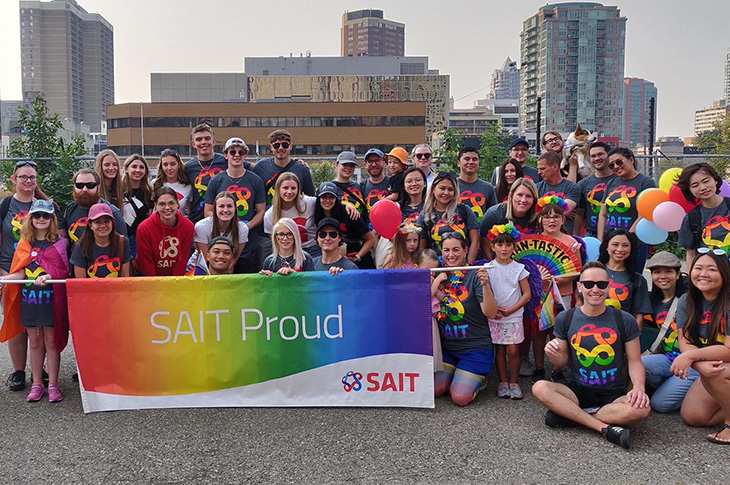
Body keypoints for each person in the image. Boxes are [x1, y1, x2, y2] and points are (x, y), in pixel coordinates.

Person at [532, 261, 651, 449]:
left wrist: (638, 388)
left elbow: (635, 361)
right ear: (579, 287)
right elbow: (562, 362)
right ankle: (604, 428)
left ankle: (571, 416)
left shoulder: (624, 319)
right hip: (577, 390)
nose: (595, 289)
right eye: (588, 284)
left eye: (601, 284)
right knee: (540, 388)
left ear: (609, 286)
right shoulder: (566, 317)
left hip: (613, 394)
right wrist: (552, 354)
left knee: (642, 409)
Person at [0, 161, 65, 391]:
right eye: (23, 177)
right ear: (13, 179)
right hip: (11, 269)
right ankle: (19, 371)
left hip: (41, 275)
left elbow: (59, 242)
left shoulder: (49, 205)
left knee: (44, 325)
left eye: (32, 177)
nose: (28, 181)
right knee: (18, 322)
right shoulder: (5, 205)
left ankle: (42, 372)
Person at [671, 249, 730, 444]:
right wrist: (698, 364)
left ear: (724, 273)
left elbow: (729, 350)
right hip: (713, 363)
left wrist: (690, 358)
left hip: (725, 364)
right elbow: (685, 340)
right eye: (698, 268)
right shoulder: (687, 301)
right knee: (694, 416)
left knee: (718, 372)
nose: (703, 274)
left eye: (711, 269)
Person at [433, 232, 498, 406]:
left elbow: (491, 313)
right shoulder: (438, 274)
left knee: (459, 398)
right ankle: (457, 374)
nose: (451, 255)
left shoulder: (475, 275)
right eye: (446, 250)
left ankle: (480, 379)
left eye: (456, 249)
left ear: (465, 250)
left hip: (475, 349)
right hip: (447, 349)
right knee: (434, 391)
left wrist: (485, 285)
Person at [204, 137, 266, 273]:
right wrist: (226, 224)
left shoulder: (256, 180)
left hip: (249, 244)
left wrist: (246, 226)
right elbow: (208, 211)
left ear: (245, 155)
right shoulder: (216, 181)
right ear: (226, 155)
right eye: (232, 152)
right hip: (223, 244)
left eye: (240, 152)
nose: (236, 155)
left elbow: (261, 211)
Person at [485, 224, 531, 400]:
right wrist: (492, 310)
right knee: (500, 350)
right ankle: (503, 382)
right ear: (492, 246)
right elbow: (485, 292)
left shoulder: (519, 269)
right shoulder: (488, 268)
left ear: (514, 247)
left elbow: (527, 294)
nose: (504, 249)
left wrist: (512, 308)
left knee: (513, 350)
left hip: (514, 315)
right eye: (499, 245)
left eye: (508, 245)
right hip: (495, 316)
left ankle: (514, 381)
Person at [641, 251, 689, 412]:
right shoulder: (652, 301)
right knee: (639, 364)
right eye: (657, 272)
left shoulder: (689, 299)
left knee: (659, 405)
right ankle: (671, 387)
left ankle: (696, 393)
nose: (663, 276)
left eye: (668, 271)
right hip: (668, 359)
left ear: (677, 274)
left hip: (690, 362)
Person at [598, 147, 657, 271]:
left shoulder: (646, 182)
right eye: (611, 165)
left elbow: (643, 215)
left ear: (631, 160)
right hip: (611, 241)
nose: (615, 166)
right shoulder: (612, 183)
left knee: (632, 277)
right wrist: (601, 239)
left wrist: (626, 239)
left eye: (619, 162)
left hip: (634, 242)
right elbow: (603, 213)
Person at [418, 172, 479, 263]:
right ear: (433, 189)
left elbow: (475, 241)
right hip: (437, 269)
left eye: (450, 189)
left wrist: (467, 266)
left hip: (463, 267)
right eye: (442, 188)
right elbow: (422, 249)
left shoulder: (464, 210)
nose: (446, 193)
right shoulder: (425, 215)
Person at [598, 229, 652, 330]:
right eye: (615, 244)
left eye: (625, 245)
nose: (620, 249)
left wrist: (632, 341)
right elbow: (580, 303)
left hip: (621, 334)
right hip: (589, 330)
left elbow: (638, 317)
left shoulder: (638, 280)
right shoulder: (593, 272)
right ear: (606, 246)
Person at [677, 162, 730, 265]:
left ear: (715, 180)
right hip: (710, 274)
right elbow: (691, 253)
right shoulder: (691, 218)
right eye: (695, 185)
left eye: (706, 181)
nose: (703, 187)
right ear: (689, 190)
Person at [134, 187, 194, 277]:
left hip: (173, 277)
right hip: (146, 276)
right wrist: (156, 286)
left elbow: (182, 261)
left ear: (177, 204)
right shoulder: (144, 228)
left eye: (171, 203)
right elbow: (146, 263)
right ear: (155, 205)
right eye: (162, 204)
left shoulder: (188, 226)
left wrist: (174, 282)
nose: (167, 208)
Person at [314, 182, 375, 269]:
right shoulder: (317, 214)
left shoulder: (349, 213)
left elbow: (371, 239)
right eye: (324, 197)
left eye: (331, 197)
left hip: (358, 263)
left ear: (336, 198)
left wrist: (357, 257)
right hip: (333, 264)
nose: (327, 200)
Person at [479, 177, 540, 259]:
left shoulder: (539, 218)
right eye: (519, 195)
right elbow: (485, 247)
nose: (523, 200)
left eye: (529, 196)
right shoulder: (494, 214)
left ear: (534, 200)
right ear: (511, 196)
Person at [64, 168, 127, 246]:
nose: (84, 189)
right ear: (74, 188)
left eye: (90, 185)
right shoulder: (70, 209)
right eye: (79, 185)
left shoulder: (112, 212)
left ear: (98, 188)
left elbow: (122, 244)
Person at [252, 129, 315, 206]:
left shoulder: (302, 169)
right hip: (269, 215)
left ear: (290, 146)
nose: (281, 148)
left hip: (293, 215)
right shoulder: (260, 167)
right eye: (276, 145)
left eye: (285, 145)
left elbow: (311, 196)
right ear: (271, 147)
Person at [70, 203, 132, 278]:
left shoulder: (122, 242)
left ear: (112, 223)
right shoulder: (80, 246)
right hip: (91, 289)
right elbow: (81, 283)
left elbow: (125, 278)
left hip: (117, 289)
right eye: (97, 222)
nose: (102, 226)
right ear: (90, 225)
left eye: (106, 221)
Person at [194, 191, 248, 273]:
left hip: (225, 269)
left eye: (229, 206)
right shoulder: (201, 226)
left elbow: (231, 262)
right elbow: (205, 260)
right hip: (201, 268)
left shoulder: (242, 228)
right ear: (215, 209)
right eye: (221, 206)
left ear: (235, 209)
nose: (225, 210)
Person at [184, 123, 228, 224]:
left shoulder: (227, 161)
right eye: (199, 139)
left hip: (224, 219)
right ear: (193, 144)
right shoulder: (187, 168)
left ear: (213, 142)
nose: (203, 142)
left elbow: (253, 167)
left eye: (207, 138)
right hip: (197, 220)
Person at [573, 142, 616, 237]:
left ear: (609, 155)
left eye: (600, 154)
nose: (597, 158)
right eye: (593, 156)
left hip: (617, 235)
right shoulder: (583, 184)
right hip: (592, 235)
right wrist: (576, 238)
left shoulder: (620, 181)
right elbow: (579, 214)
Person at [536, 152, 580, 233]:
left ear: (555, 167)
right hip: (543, 236)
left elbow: (566, 210)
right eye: (538, 169)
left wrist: (542, 209)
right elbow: (533, 212)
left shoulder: (572, 187)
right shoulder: (537, 187)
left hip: (565, 235)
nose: (539, 172)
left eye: (542, 169)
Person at [456, 145, 497, 225]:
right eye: (467, 159)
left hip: (481, 234)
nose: (471, 162)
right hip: (455, 233)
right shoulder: (450, 187)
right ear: (458, 163)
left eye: (474, 159)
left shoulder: (488, 188)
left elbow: (493, 215)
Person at [121, 154, 153, 257]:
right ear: (126, 169)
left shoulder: (149, 192)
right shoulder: (118, 190)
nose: (138, 170)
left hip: (140, 239)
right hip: (121, 238)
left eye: (141, 167)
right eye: (134, 166)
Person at [419, 249, 444, 373]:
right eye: (428, 269)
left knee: (433, 346)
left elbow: (440, 296)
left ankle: (431, 374)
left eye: (434, 270)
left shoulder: (432, 280)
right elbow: (427, 295)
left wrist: (438, 285)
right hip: (421, 320)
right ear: (417, 267)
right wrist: (437, 280)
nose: (431, 273)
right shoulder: (418, 280)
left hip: (432, 319)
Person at [152, 149, 192, 216]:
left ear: (179, 164)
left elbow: (189, 211)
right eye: (165, 164)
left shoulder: (187, 186)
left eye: (173, 164)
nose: (169, 168)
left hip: (178, 224)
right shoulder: (155, 183)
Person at [332, 151, 368, 218]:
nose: (348, 168)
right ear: (336, 165)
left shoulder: (358, 186)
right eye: (345, 164)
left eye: (351, 165)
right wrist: (344, 205)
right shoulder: (329, 187)